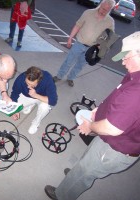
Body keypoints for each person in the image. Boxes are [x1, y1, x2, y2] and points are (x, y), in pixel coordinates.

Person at [44, 31, 140, 200]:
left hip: (115, 148)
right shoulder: (135, 74)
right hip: (109, 139)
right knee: (84, 164)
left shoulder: (137, 91)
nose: (123, 61)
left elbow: (112, 127)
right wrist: (98, 110)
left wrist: (90, 126)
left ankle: (62, 194)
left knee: (85, 175)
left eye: (127, 56)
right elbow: (118, 99)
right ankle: (78, 172)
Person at [53, 0, 115, 87]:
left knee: (80, 65)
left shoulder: (110, 21)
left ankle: (71, 78)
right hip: (79, 43)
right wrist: (70, 38)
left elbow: (110, 36)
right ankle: (59, 76)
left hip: (91, 48)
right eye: (103, 9)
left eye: (106, 10)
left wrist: (103, 45)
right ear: (100, 5)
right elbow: (78, 25)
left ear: (110, 10)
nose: (103, 11)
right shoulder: (88, 13)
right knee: (69, 61)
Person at [11, 66, 57, 134]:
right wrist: (15, 110)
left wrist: (35, 95)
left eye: (32, 85)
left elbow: (53, 101)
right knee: (17, 109)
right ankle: (30, 105)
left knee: (45, 108)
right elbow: (14, 94)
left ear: (39, 81)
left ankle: (36, 123)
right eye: (27, 83)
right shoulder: (21, 78)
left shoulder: (47, 79)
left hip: (41, 98)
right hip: (27, 96)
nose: (28, 86)